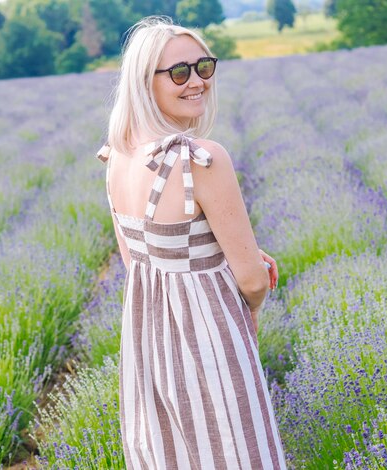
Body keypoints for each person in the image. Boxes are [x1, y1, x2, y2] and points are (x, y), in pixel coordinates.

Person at [95, 15, 287, 469]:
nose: (196, 81)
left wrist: (211, 254)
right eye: (179, 72)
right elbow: (252, 281)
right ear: (146, 82)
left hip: (149, 340)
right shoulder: (199, 158)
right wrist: (253, 303)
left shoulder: (118, 157)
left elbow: (137, 259)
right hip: (209, 337)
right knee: (236, 454)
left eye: (204, 66)